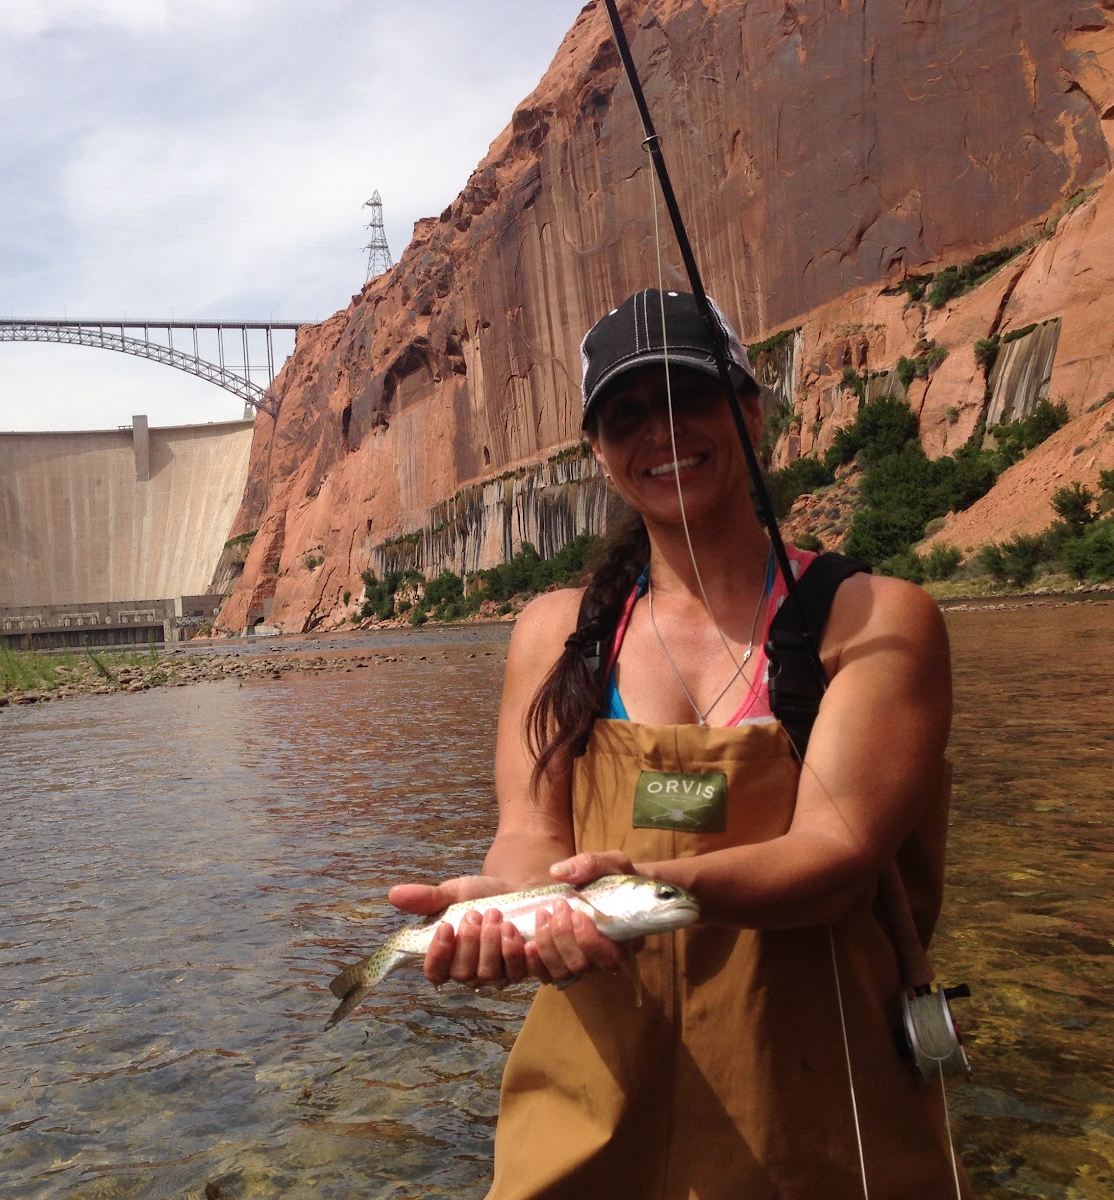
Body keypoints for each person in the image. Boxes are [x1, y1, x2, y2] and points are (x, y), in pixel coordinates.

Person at [388, 288, 972, 1198]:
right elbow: (531, 835)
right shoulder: (555, 632)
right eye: (627, 415)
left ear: (750, 408)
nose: (661, 433)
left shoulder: (877, 621)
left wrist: (623, 898)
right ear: (597, 451)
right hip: (591, 1094)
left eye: (689, 398)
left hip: (817, 1107)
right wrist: (508, 905)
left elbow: (837, 861)